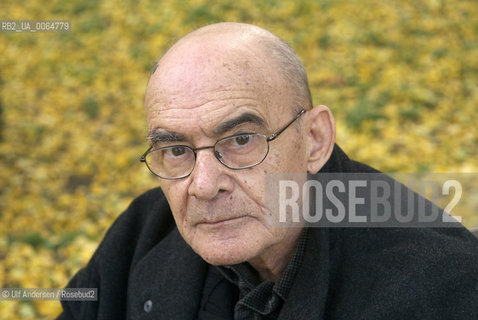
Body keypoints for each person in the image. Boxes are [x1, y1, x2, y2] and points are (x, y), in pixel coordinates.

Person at [57, 22, 478, 319]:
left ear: (314, 140)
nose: (203, 186)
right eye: (176, 149)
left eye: (241, 140)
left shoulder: (444, 287)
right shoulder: (142, 233)